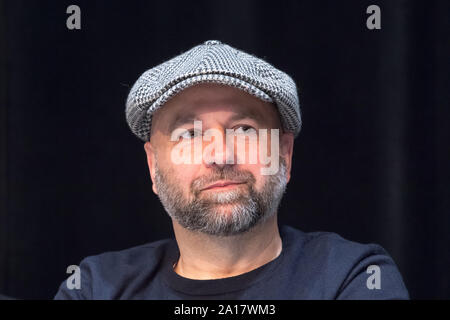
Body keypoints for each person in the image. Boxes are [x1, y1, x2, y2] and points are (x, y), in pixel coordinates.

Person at [54, 40, 409, 299]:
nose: (221, 154)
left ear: (284, 155)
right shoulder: (94, 287)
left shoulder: (353, 277)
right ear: (152, 166)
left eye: (245, 130)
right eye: (189, 134)